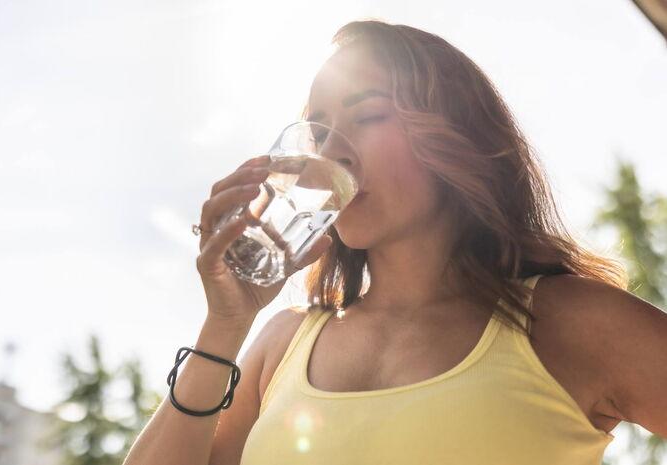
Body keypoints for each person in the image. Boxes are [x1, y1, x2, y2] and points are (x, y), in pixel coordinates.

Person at [123, 20, 667, 465]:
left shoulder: (572, 323)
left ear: (459, 138)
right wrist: (225, 324)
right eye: (318, 129)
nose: (333, 151)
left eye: (369, 115)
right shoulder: (283, 343)